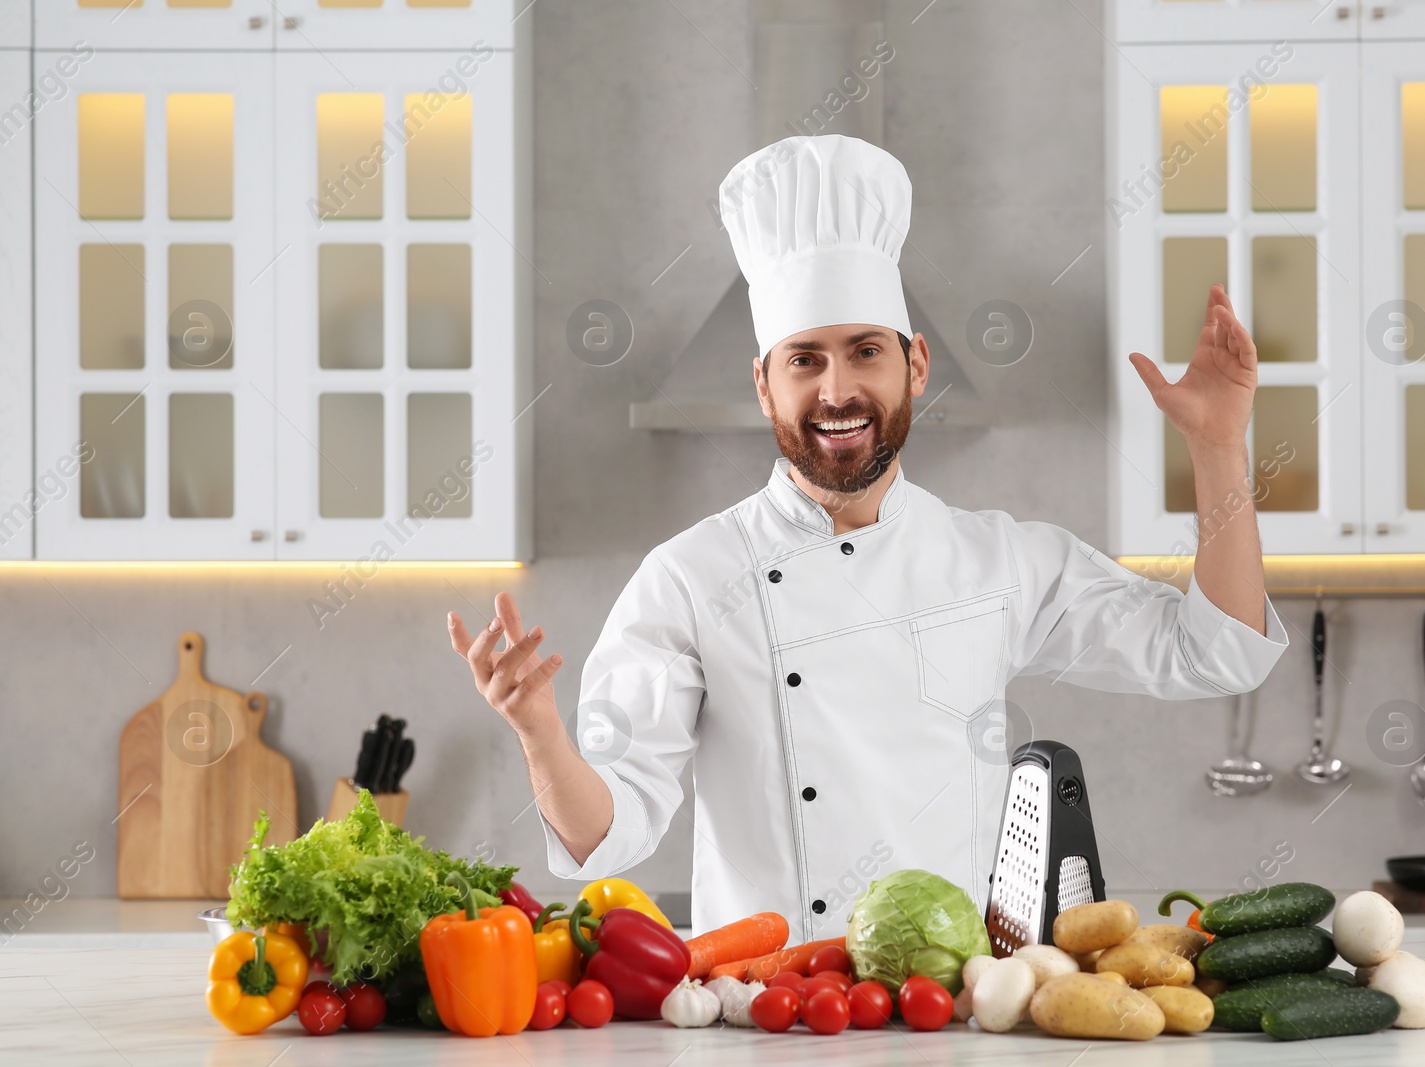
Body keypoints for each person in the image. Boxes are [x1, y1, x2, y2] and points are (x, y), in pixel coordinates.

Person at [448, 135, 1289, 940]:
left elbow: (1215, 651)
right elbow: (609, 832)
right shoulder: (689, 578)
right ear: (764, 385)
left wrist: (1217, 448)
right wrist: (540, 733)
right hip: (768, 1014)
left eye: (864, 352)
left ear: (915, 364)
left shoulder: (1001, 560)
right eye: (804, 359)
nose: (837, 389)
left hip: (951, 1014)